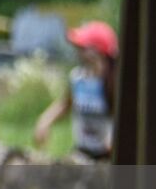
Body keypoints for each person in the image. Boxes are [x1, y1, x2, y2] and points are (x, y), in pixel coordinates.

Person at [32, 20, 119, 160]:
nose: (77, 50)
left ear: (96, 51)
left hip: (108, 155)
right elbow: (66, 103)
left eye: (82, 47)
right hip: (82, 152)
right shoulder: (78, 78)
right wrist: (45, 121)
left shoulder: (115, 82)